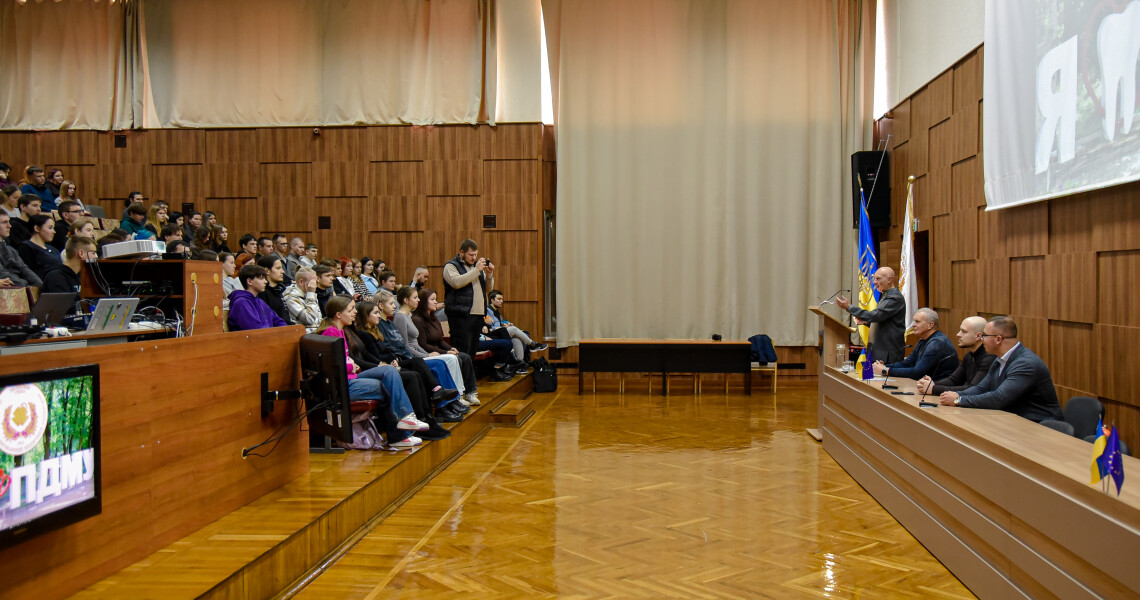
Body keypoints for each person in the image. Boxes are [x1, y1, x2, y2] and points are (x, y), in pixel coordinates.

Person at [317, 295, 429, 448]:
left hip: (351, 378)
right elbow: (334, 366)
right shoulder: (331, 332)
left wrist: (351, 364)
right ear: (338, 314)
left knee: (389, 371)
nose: (355, 312)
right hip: (344, 384)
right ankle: (400, 431)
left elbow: (345, 360)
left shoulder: (340, 330)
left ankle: (405, 420)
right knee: (390, 387)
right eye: (350, 310)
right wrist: (351, 365)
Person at [939, 316, 1063, 422]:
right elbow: (982, 388)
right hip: (1015, 421)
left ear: (998, 339)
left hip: (1040, 424)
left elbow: (999, 398)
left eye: (985, 336)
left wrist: (959, 400)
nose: (982, 340)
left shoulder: (1025, 364)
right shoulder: (999, 359)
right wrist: (957, 394)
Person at [396, 285, 479, 405]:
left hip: (425, 352)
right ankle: (457, 396)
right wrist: (429, 354)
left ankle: (468, 393)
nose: (418, 300)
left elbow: (439, 340)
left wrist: (450, 348)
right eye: (415, 297)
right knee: (452, 358)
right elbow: (409, 344)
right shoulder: (411, 318)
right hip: (418, 354)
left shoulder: (426, 317)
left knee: (463, 356)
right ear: (406, 300)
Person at [836, 266, 906, 364]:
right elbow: (883, 321)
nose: (874, 282)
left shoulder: (894, 298)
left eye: (878, 279)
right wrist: (865, 322)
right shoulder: (886, 295)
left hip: (887, 354)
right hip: (879, 351)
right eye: (874, 278)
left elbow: (875, 315)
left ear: (889, 280)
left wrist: (849, 307)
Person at [442, 238, 494, 359]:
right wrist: (476, 270)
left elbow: (488, 289)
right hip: (460, 314)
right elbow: (456, 282)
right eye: (471, 255)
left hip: (478, 314)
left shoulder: (477, 268)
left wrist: (490, 275)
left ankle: (469, 377)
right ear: (462, 253)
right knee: (462, 349)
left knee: (472, 350)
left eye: (475, 254)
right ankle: (461, 377)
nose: (473, 257)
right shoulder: (451, 266)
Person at [917, 316, 996, 395]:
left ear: (978, 336)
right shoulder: (969, 355)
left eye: (964, 331)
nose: (958, 334)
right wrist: (931, 384)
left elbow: (973, 389)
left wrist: (933, 388)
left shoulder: (989, 358)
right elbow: (954, 380)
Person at [873, 307, 957, 380]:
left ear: (930, 325)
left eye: (917, 322)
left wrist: (885, 370)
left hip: (940, 390)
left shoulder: (937, 344)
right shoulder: (923, 340)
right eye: (914, 321)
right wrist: (885, 366)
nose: (913, 325)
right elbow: (907, 363)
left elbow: (917, 372)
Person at [485, 289, 548, 361]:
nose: (501, 301)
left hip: (501, 332)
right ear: (492, 300)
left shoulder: (496, 311)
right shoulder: (487, 311)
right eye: (499, 299)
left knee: (517, 339)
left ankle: (519, 363)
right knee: (513, 329)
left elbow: (500, 321)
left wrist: (506, 324)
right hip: (493, 335)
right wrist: (502, 327)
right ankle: (532, 344)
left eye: (502, 299)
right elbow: (489, 327)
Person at [227, 264, 287, 331]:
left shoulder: (260, 302)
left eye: (265, 278)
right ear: (249, 281)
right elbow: (254, 330)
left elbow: (278, 321)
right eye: (261, 278)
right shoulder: (241, 303)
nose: (265, 282)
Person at [40, 237, 96, 309]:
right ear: (81, 253)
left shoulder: (85, 276)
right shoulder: (56, 276)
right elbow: (63, 307)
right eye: (93, 253)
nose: (96, 257)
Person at [0, 212, 42, 287]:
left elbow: (24, 268)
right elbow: (3, 274)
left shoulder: (10, 249)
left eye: (9, 222)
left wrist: (39, 284)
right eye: (4, 222)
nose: (9, 226)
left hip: (21, 285)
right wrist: (25, 284)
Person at [17, 215, 62, 280]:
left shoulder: (54, 249)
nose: (54, 232)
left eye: (53, 228)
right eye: (50, 228)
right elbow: (26, 272)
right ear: (37, 228)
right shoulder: (26, 247)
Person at [255, 255, 293, 325]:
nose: (283, 271)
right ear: (267, 271)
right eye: (278, 268)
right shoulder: (263, 294)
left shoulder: (279, 290)